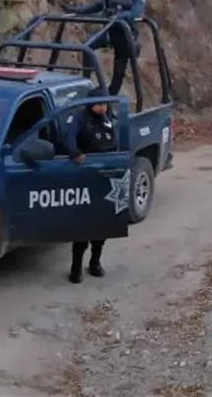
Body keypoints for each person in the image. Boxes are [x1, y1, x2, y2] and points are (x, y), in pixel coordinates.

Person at [62, 0, 147, 96]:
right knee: (87, 45)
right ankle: (86, 80)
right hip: (109, 31)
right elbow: (96, 6)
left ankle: (112, 95)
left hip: (125, 34)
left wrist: (119, 15)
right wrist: (76, 10)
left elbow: (134, 13)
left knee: (119, 70)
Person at [63, 86, 118, 284]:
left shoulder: (107, 119)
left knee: (102, 225)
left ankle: (95, 262)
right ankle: (76, 267)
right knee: (83, 226)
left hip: (105, 177)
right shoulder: (79, 118)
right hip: (84, 177)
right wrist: (76, 153)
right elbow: (69, 138)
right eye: (99, 104)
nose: (103, 107)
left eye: (105, 104)